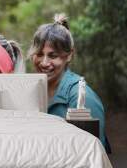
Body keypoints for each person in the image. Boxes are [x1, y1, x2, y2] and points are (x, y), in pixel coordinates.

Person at [29, 14, 109, 150]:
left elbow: (92, 155)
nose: (44, 62)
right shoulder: (31, 91)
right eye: (40, 54)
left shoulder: (82, 99)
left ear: (69, 55)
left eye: (53, 56)